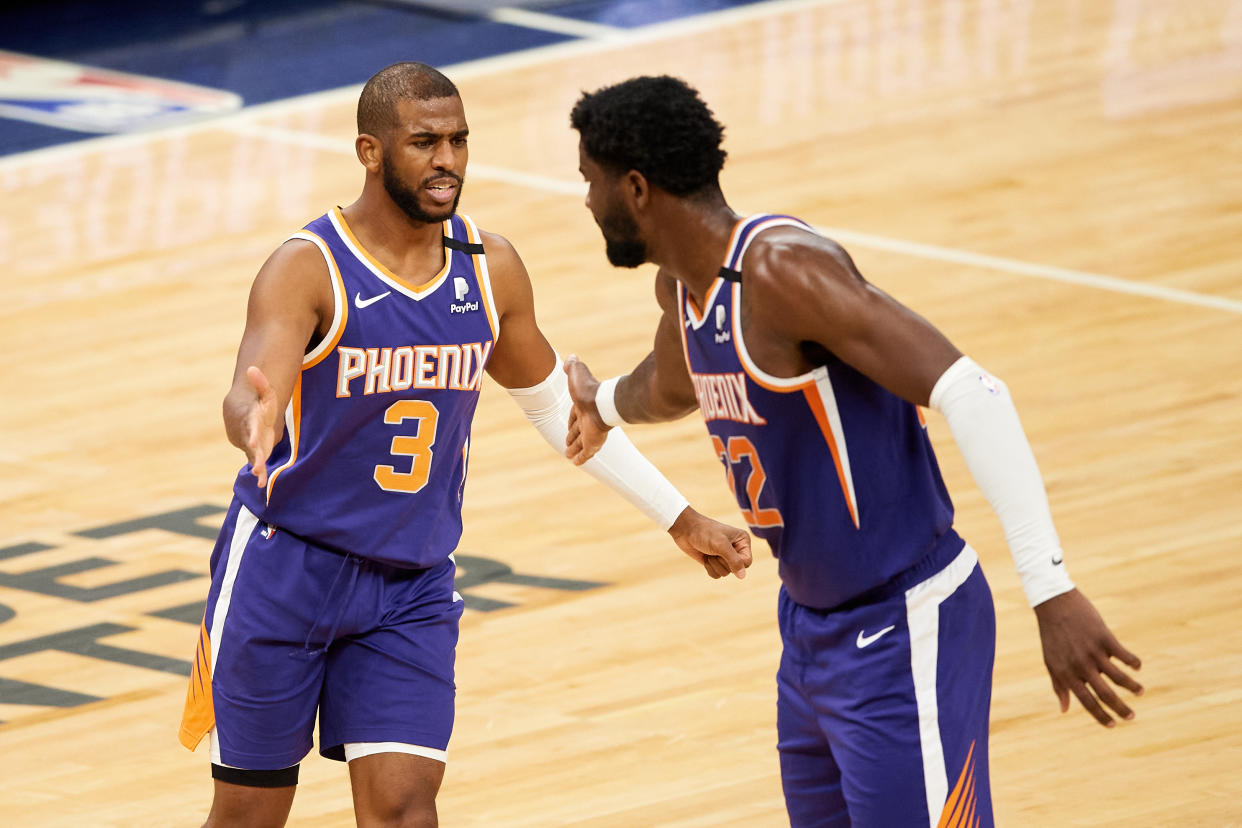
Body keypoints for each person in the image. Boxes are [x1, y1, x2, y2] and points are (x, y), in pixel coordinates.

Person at [176, 63, 752, 828]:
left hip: (408, 587)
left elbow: (561, 413)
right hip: (285, 569)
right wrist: (253, 417)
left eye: (458, 141)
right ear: (371, 152)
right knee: (250, 814)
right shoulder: (308, 266)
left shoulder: (489, 268)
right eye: (423, 142)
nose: (447, 160)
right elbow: (252, 389)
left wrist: (680, 518)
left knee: (405, 810)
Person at [563, 75, 1143, 828]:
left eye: (589, 181)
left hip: (904, 622)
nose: (585, 201)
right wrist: (601, 404)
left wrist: (1051, 588)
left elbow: (973, 392)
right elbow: (671, 385)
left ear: (635, 188)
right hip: (808, 632)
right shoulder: (684, 290)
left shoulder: (781, 273)